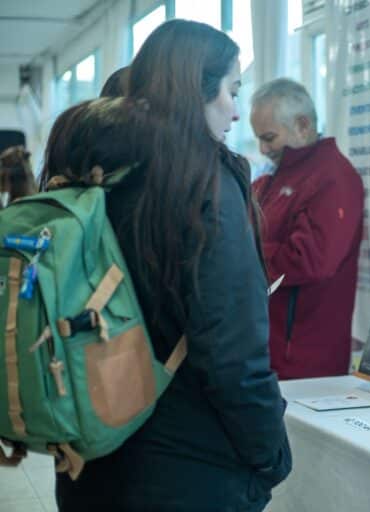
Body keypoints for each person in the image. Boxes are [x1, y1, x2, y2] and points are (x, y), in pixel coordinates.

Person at [45, 20, 291, 511]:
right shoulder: (204, 186)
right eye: (231, 91)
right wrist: (271, 454)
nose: (237, 112)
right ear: (195, 89)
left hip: (90, 455)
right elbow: (232, 353)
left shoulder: (92, 174)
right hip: (190, 468)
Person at [250, 78, 364, 380]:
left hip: (304, 360)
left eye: (269, 138)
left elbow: (310, 260)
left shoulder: (333, 178)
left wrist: (244, 256)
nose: (263, 149)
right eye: (258, 139)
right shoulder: (274, 179)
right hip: (270, 349)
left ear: (302, 125)